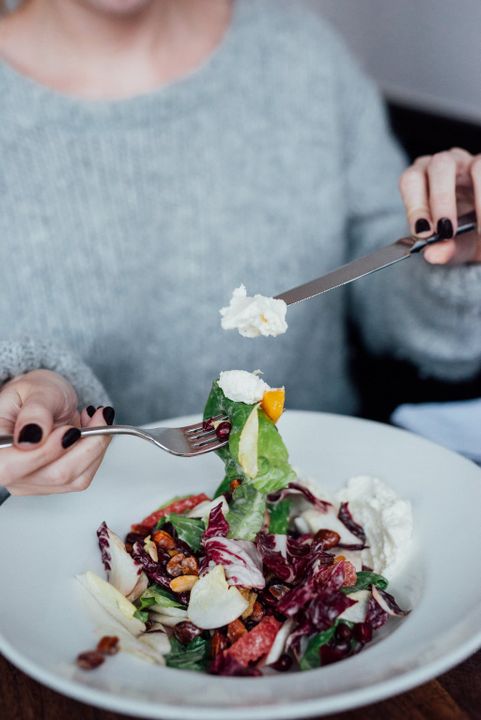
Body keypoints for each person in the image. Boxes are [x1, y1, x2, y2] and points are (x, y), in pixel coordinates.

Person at [0, 0, 480, 497]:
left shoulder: (299, 54)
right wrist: (16, 401)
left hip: (325, 517)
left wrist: (457, 262)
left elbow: (400, 309)